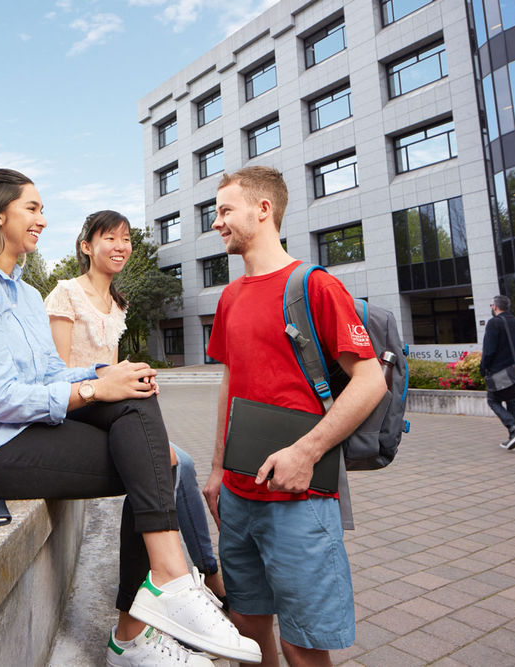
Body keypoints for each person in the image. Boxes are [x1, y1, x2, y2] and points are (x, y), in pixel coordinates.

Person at [0, 168, 260, 666]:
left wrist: (109, 373)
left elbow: (51, 373)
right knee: (141, 442)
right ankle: (163, 593)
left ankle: (138, 624)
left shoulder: (25, 295)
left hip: (22, 431)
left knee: (146, 425)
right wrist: (99, 386)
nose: (42, 219)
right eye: (32, 208)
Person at [200, 166, 386, 667]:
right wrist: (217, 470)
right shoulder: (230, 296)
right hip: (238, 498)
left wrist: (308, 450)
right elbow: (229, 386)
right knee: (246, 629)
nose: (216, 223)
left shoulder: (315, 287)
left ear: (263, 210)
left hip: (299, 498)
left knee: (301, 644)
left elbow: (371, 381)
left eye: (224, 211)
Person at [44, 210, 226, 604]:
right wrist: (113, 381)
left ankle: (197, 573)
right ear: (86, 246)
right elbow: (54, 371)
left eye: (125, 239)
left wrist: (132, 378)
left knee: (182, 463)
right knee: (176, 464)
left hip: (109, 409)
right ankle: (195, 578)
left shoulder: (117, 302)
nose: (120, 246)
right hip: (76, 405)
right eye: (109, 238)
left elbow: (111, 366)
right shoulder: (65, 293)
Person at [481, 295, 515, 451]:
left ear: (495, 307)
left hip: (500, 373)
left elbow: (489, 350)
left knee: (492, 400)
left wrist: (483, 368)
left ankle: (514, 428)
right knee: (513, 402)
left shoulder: (494, 323)